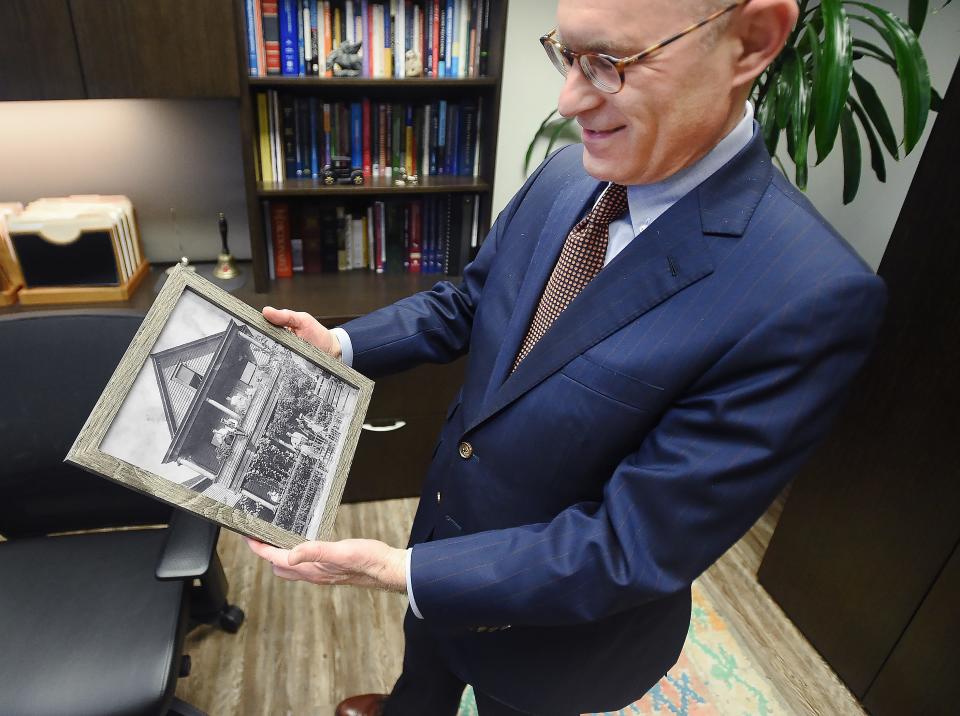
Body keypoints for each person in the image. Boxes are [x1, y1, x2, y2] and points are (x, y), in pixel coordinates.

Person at [245, 0, 887, 713]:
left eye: (611, 64)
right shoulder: (568, 174)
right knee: (420, 682)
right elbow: (472, 300)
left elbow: (627, 545)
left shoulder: (809, 296)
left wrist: (402, 570)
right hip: (442, 544)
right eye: (569, 54)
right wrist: (340, 343)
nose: (569, 99)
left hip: (554, 641)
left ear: (753, 41)